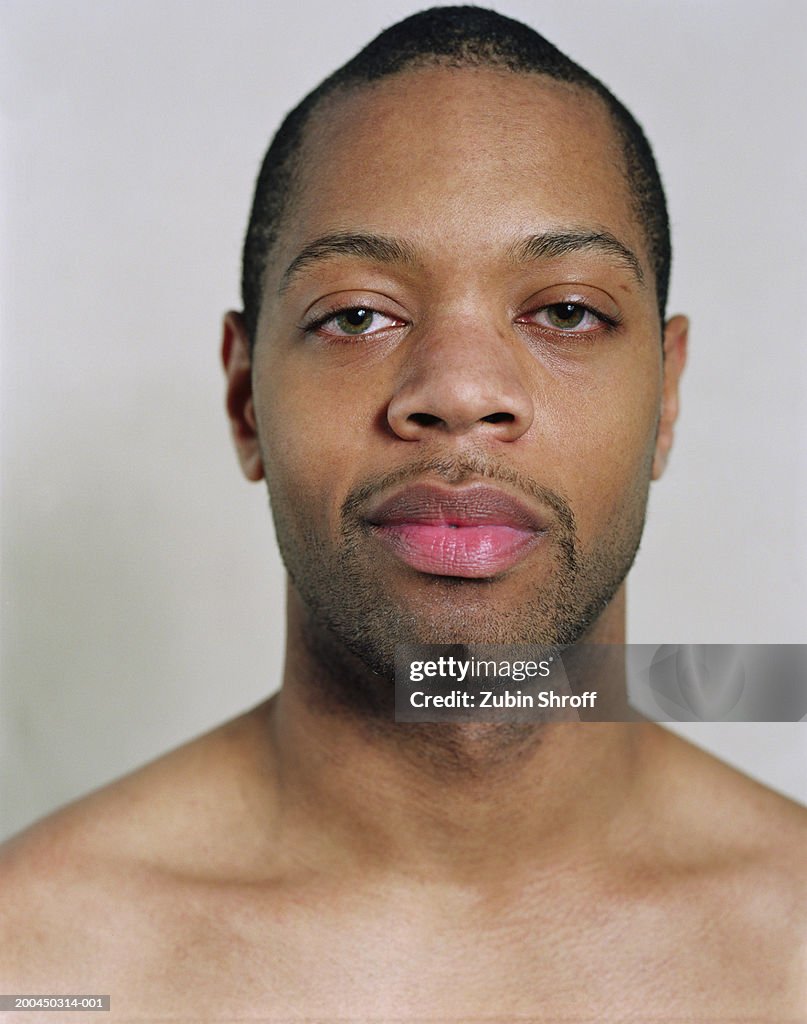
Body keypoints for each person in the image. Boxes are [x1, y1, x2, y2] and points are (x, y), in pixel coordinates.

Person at [2, 7, 805, 1019]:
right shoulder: (36, 964)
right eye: (357, 315)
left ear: (667, 397)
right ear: (246, 397)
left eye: (566, 311)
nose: (459, 391)